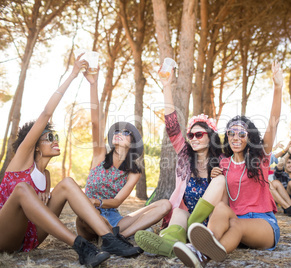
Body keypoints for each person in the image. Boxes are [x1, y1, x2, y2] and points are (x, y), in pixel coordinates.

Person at [0, 57, 142, 267]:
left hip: (30, 238)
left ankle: (110, 239)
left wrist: (94, 84)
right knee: (22, 189)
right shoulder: (22, 159)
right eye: (49, 137)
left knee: (66, 183)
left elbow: (35, 213)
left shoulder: (46, 176)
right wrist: (73, 74)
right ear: (35, 144)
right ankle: (81, 247)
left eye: (56, 136)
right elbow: (47, 113)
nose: (55, 140)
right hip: (4, 236)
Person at [172, 61, 283, 266]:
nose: (235, 137)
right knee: (222, 209)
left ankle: (202, 256)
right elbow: (219, 196)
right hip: (233, 221)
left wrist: (277, 88)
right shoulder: (223, 163)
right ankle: (201, 247)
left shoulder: (260, 159)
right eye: (231, 132)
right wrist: (216, 176)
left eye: (241, 133)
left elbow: (273, 123)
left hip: (262, 224)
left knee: (238, 226)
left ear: (249, 137)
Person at [134, 60, 225, 260]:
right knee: (178, 215)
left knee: (219, 182)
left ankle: (185, 238)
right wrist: (167, 86)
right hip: (185, 214)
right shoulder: (184, 154)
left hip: (210, 222)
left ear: (210, 136)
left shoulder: (222, 160)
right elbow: (172, 125)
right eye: (191, 135)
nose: (193, 138)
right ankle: (171, 243)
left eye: (199, 135)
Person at [75, 64, 171, 242]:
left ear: (132, 143)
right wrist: (93, 84)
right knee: (92, 220)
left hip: (114, 218)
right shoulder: (100, 154)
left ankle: (121, 236)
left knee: (164, 204)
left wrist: (98, 201)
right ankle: (115, 235)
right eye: (117, 132)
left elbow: (117, 201)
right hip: (89, 216)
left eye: (125, 133)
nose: (119, 134)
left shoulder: (134, 172)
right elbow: (96, 122)